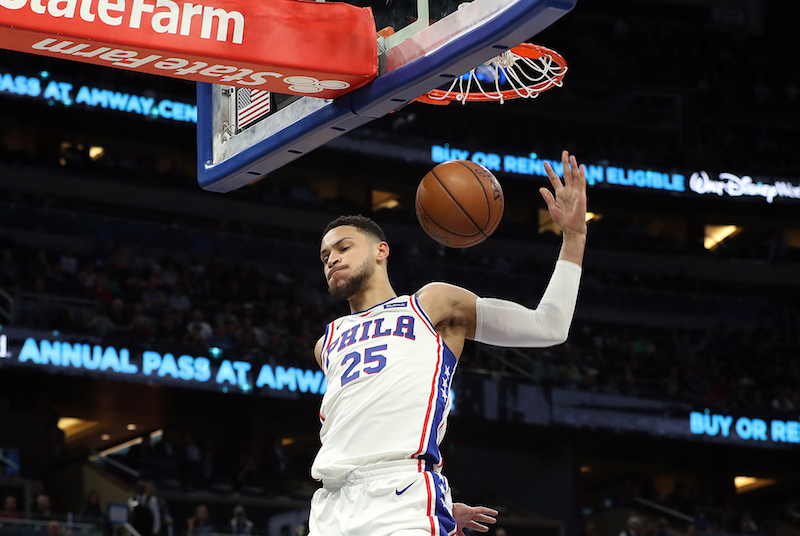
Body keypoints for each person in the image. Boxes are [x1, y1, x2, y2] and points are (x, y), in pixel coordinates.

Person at [310, 151, 586, 535]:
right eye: (325, 255)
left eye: (343, 248)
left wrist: (574, 236)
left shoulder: (432, 304)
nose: (332, 260)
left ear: (381, 251)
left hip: (401, 493)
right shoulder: (327, 341)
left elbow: (549, 326)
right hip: (330, 505)